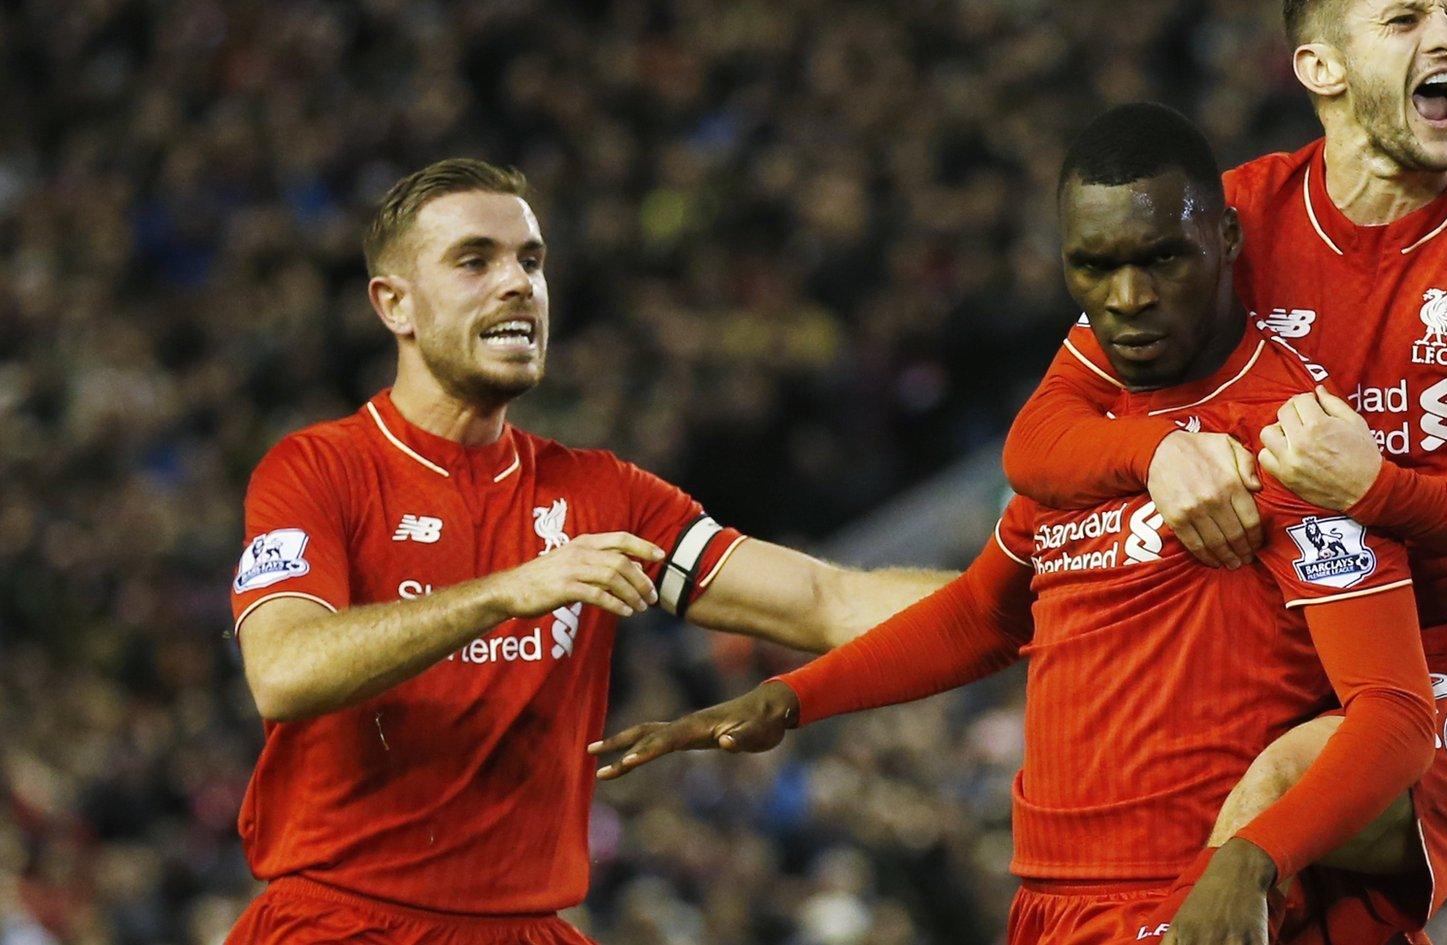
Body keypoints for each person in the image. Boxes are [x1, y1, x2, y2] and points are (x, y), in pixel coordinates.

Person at [589, 102, 1438, 945]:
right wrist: (790, 698)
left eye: (1161, 258)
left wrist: (1251, 862)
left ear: (1225, 238)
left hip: (1188, 897)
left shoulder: (1294, 439)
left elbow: (1396, 714)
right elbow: (982, 614)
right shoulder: (1082, 439)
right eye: (1095, 268)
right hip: (1047, 905)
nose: (1129, 298)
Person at [1000, 2, 1447, 942]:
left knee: (1273, 806)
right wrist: (1155, 449)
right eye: (1405, 18)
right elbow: (1039, 439)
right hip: (1292, 644)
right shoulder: (1230, 216)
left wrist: (1371, 489)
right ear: (1320, 67)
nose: (1446, 38)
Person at [223, 158, 950, 945]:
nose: (518, 284)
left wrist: (1056, 581)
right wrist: (505, 592)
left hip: (526, 928)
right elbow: (284, 670)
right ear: (393, 303)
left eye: (530, 261)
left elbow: (829, 601)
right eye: (475, 260)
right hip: (340, 925)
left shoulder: (602, 494)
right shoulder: (319, 470)